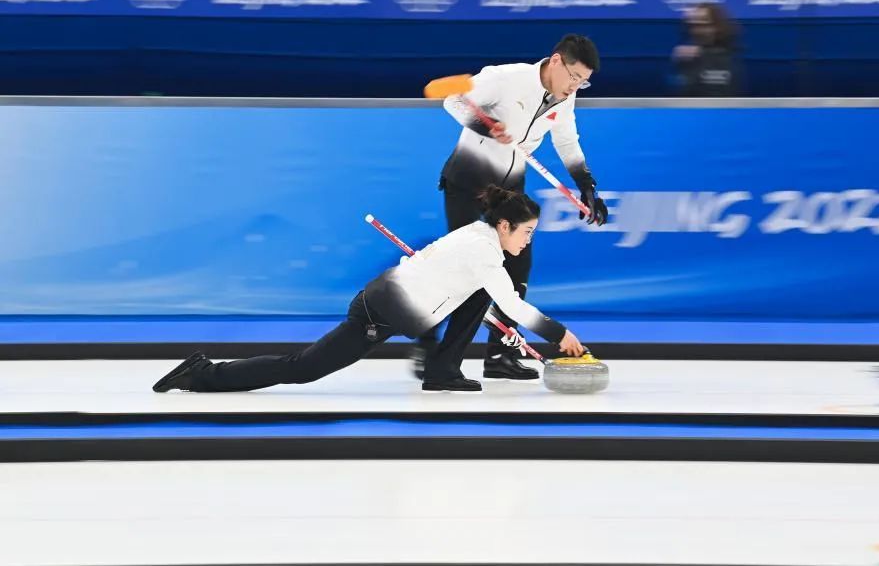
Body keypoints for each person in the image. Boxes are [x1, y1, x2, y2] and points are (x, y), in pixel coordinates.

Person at [152, 186, 586, 394]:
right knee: (301, 368)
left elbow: (497, 297)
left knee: (481, 295)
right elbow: (511, 303)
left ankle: (441, 370)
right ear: (504, 226)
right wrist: (559, 334)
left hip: (400, 306)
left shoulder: (482, 236)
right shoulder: (484, 251)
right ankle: (204, 372)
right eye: (526, 232)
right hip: (377, 314)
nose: (528, 240)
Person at [412, 33, 609, 382]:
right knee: (465, 269)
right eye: (574, 77)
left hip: (509, 188)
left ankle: (501, 354)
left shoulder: (564, 98)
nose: (576, 86)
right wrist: (484, 126)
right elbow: (452, 101)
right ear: (556, 61)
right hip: (468, 183)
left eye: (584, 81)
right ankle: (430, 341)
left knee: (518, 267)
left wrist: (586, 184)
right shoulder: (506, 78)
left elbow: (566, 139)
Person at [672, 2, 744, 97]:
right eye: (693, 25)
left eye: (703, 25)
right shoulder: (685, 57)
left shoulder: (727, 60)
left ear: (717, 26)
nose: (697, 31)